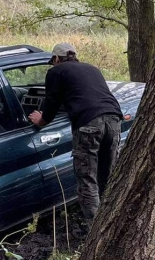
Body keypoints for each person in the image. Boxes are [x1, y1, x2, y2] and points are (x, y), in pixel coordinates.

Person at [29, 42, 124, 236]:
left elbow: (52, 102)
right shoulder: (91, 68)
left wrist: (41, 121)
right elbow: (87, 94)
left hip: (88, 123)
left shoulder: (56, 72)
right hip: (113, 119)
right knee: (108, 173)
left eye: (53, 62)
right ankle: (113, 223)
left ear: (56, 59)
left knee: (87, 178)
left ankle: (95, 234)